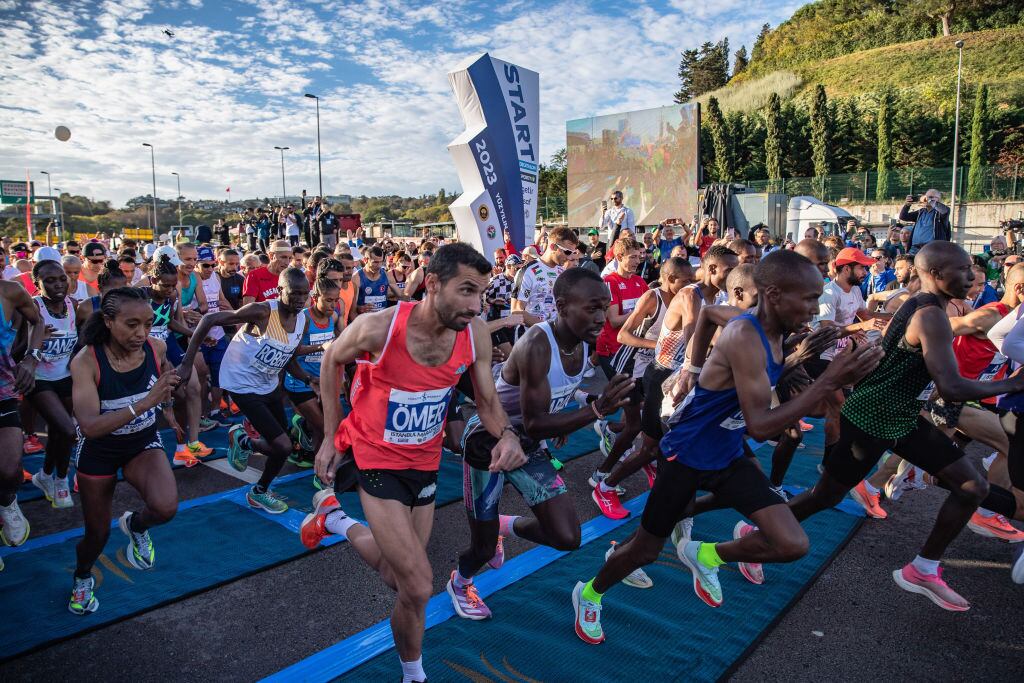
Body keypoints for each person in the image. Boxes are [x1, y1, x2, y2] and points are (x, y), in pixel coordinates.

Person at [572, 250, 883, 644]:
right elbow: (760, 426)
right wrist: (827, 381)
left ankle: (706, 554)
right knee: (645, 551)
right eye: (806, 298)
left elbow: (708, 316)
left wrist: (695, 368)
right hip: (685, 454)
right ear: (772, 294)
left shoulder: (767, 330)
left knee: (791, 542)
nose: (813, 307)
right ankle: (589, 592)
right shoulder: (744, 335)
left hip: (726, 454)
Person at [304, 243, 525, 683]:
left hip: (423, 463)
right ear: (432, 283)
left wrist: (509, 435)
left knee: (396, 575)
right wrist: (330, 436)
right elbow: (332, 358)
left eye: (481, 292)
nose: (475, 304)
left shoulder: (474, 333)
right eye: (465, 290)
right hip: (374, 457)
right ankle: (414, 674)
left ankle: (333, 521)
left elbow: (486, 400)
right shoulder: (379, 328)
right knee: (420, 585)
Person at [789, 241, 1024, 611]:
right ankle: (758, 532)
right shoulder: (929, 315)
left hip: (899, 415)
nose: (972, 277)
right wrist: (1011, 383)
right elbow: (951, 386)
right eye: (963, 270)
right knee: (826, 496)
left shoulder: (925, 304)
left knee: (972, 485)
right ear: (936, 274)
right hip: (871, 417)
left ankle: (923, 569)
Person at [450, 267, 636, 619]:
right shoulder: (537, 343)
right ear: (562, 306)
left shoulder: (583, 339)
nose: (601, 317)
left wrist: (571, 411)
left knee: (567, 536)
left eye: (604, 307)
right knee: (484, 547)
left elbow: (554, 399)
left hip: (530, 444)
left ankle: (506, 525)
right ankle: (460, 581)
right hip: (488, 442)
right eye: (592, 308)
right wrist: (597, 408)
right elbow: (535, 424)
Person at [592, 245, 738, 517]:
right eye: (730, 271)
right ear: (711, 269)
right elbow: (697, 336)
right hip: (662, 376)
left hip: (679, 376)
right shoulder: (689, 295)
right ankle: (605, 485)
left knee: (668, 442)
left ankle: (669, 494)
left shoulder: (717, 298)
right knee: (649, 446)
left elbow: (715, 339)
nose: (734, 276)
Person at [68, 287, 182, 615]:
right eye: (131, 324)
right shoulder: (86, 361)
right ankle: (82, 576)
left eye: (147, 324)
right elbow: (89, 426)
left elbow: (166, 382)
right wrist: (146, 402)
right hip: (99, 449)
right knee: (97, 534)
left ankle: (135, 525)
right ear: (108, 321)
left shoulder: (155, 346)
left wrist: (169, 410)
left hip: (142, 442)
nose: (141, 333)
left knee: (165, 508)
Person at [178, 267, 311, 513]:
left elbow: (289, 358)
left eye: (305, 294)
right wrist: (187, 363)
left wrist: (307, 378)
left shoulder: (302, 319)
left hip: (268, 383)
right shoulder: (262, 311)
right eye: (295, 294)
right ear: (280, 290)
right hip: (241, 383)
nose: (301, 300)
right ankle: (258, 491)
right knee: (281, 445)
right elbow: (209, 319)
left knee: (285, 445)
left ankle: (243, 441)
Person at [26, 259, 79, 509]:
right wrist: (38, 338)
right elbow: (14, 351)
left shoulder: (73, 305)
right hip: (39, 379)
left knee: (59, 432)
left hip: (65, 377)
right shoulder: (32, 309)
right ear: (37, 284)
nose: (58, 284)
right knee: (69, 431)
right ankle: (60, 480)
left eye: (61, 279)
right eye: (49, 280)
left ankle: (45, 475)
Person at [0, 277, 46, 547]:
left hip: (4, 392)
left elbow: (37, 321)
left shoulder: (9, 291)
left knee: (8, 471)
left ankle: (7, 501)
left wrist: (31, 358)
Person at [283, 277, 342, 466]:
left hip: (322, 379)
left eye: (336, 300)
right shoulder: (304, 318)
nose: (333, 305)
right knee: (324, 427)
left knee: (327, 427)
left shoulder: (332, 317)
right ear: (315, 297)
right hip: (299, 381)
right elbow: (293, 350)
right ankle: (322, 469)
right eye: (329, 300)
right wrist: (320, 346)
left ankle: (302, 431)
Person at [511, 226, 575, 326]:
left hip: (556, 337)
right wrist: (548, 328)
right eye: (567, 252)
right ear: (553, 247)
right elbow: (516, 311)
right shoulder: (527, 272)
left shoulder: (562, 272)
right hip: (531, 337)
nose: (570, 257)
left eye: (573, 253)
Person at [900, 189, 951, 255]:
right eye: (926, 196)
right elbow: (903, 216)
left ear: (938, 200)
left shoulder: (939, 213)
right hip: (915, 248)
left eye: (931, 197)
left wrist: (929, 200)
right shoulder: (921, 212)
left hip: (932, 249)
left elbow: (945, 211)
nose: (926, 199)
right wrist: (907, 205)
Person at [242, 240, 292, 305]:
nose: (287, 262)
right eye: (283, 257)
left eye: (290, 258)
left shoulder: (291, 277)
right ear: (271, 256)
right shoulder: (255, 275)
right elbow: (248, 307)